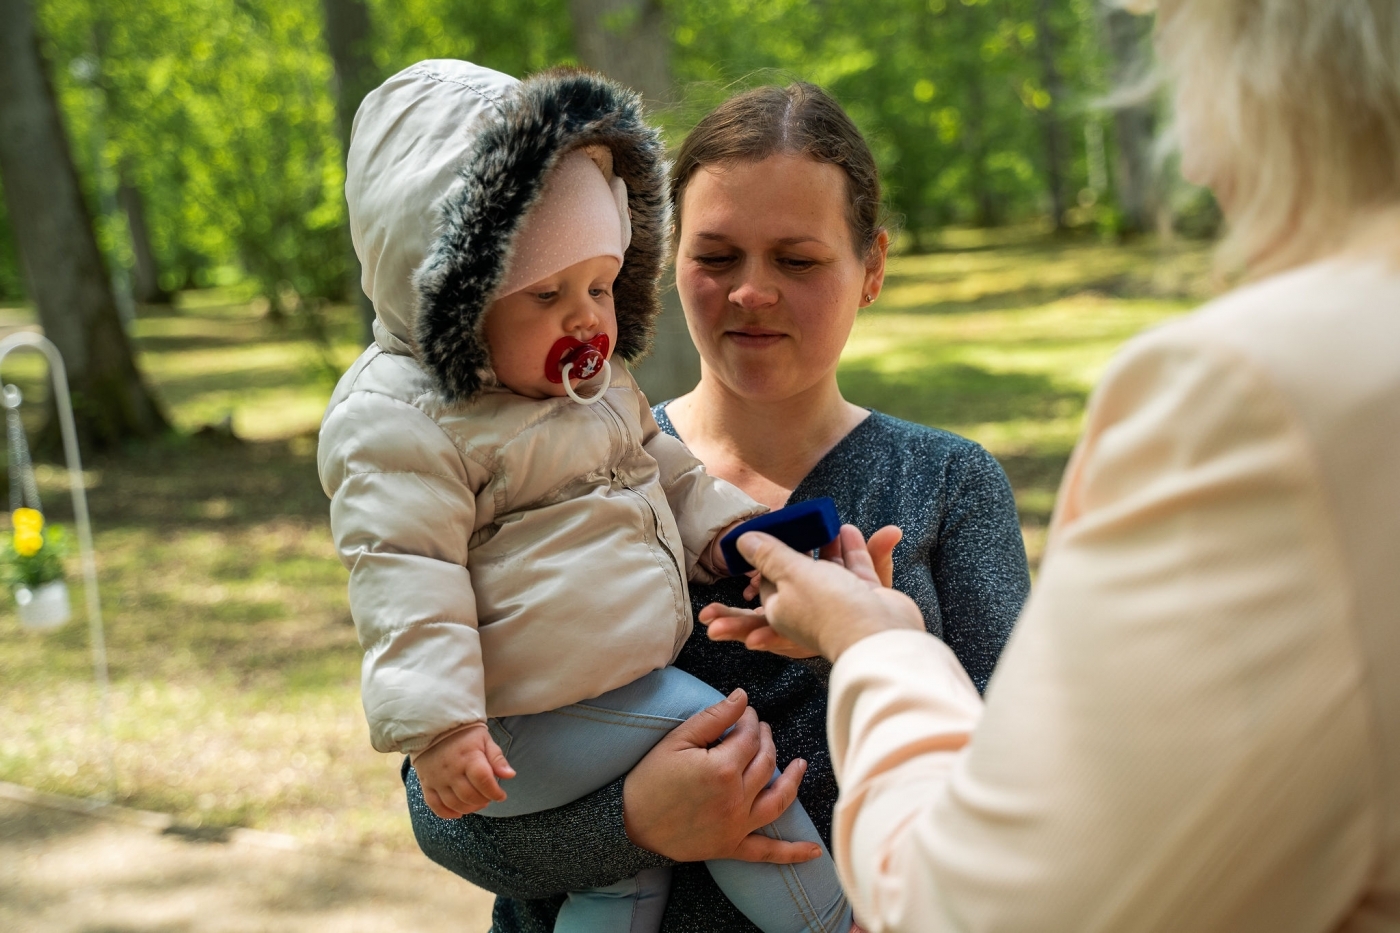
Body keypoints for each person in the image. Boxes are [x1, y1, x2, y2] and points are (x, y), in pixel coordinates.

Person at [721, 1, 1400, 930]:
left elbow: (988, 901)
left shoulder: (1262, 392)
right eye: (716, 254)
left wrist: (878, 645)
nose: (1194, 156)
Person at [403, 83, 1033, 932]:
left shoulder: (949, 484)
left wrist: (862, 646)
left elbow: (1019, 799)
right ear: (664, 260)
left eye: (797, 260)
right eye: (717, 256)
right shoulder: (554, 461)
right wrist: (634, 823)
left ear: (872, 266)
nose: (751, 292)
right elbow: (441, 810)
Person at [318, 60, 857, 933]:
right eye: (546, 293)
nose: (587, 321)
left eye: (602, 285)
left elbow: (667, 471)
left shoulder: (597, 388)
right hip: (516, 724)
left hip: (595, 697)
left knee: (619, 885)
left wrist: (728, 538)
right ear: (453, 294)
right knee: (717, 731)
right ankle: (833, 920)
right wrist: (444, 728)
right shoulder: (402, 421)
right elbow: (403, 577)